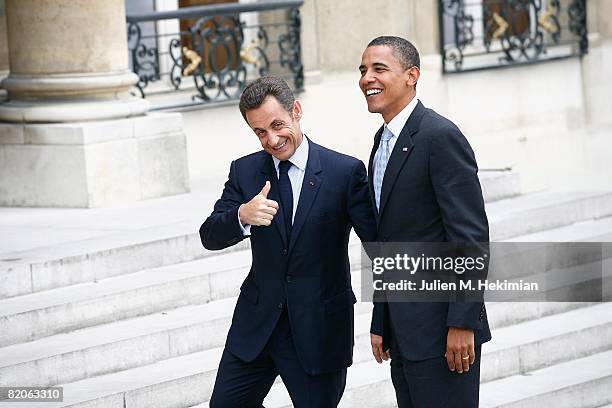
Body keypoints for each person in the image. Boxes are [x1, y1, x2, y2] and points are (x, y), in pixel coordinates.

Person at [200, 76, 377, 407]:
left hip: (318, 330)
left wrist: (385, 316)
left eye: (277, 125)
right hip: (256, 327)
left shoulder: (344, 172)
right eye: (260, 132)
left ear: (296, 111)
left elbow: (377, 245)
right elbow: (209, 234)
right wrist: (241, 215)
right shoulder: (245, 171)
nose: (272, 139)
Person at [358, 36, 491, 407]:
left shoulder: (439, 136)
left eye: (379, 69)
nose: (367, 78)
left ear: (412, 75)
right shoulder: (381, 141)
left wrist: (463, 322)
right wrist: (381, 318)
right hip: (404, 333)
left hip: (444, 332)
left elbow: (470, 237)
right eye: (363, 70)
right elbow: (388, 242)